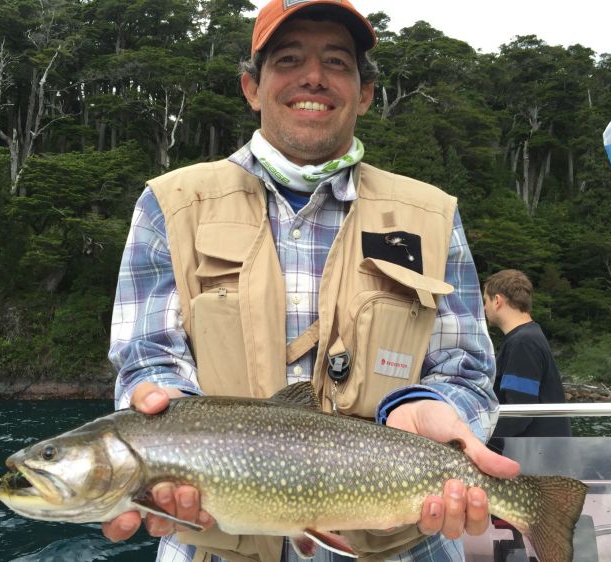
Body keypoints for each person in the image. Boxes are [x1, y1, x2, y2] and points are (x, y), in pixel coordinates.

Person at [104, 1, 520, 561]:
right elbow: (148, 359)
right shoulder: (170, 204)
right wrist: (169, 425)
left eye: (337, 62)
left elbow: (466, 372)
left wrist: (433, 416)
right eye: (289, 59)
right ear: (252, 86)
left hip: (401, 544)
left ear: (366, 92)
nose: (313, 78)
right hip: (213, 541)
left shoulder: (432, 216)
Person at [483, 269, 571, 438]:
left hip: (536, 457)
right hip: (544, 454)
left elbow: (518, 414)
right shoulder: (529, 336)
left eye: (485, 301)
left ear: (497, 301)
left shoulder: (523, 343)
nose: (484, 307)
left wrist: (476, 437)